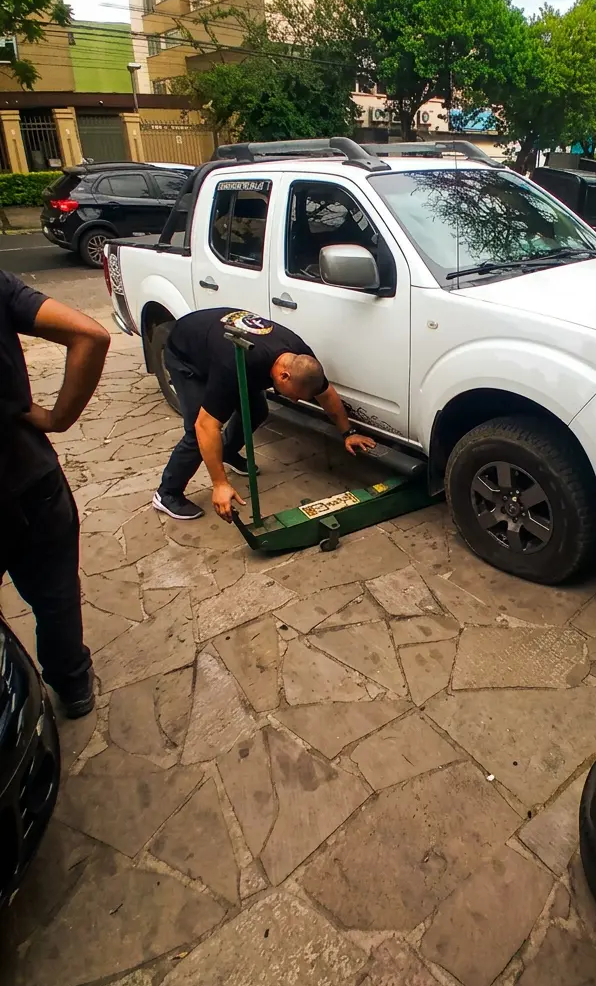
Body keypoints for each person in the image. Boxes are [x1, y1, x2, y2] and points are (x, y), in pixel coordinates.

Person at [0, 271, 110, 719]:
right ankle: (73, 685)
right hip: (27, 475)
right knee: (56, 594)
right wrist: (58, 418)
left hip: (28, 479)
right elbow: (90, 334)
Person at [154, 308, 376, 523]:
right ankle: (167, 493)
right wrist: (219, 483)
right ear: (284, 376)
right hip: (187, 354)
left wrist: (348, 432)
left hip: (219, 343)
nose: (295, 400)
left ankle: (227, 451)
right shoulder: (233, 364)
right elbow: (207, 426)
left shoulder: (301, 358)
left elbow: (326, 394)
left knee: (257, 410)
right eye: (295, 395)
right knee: (197, 431)